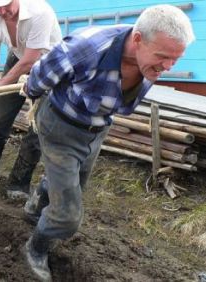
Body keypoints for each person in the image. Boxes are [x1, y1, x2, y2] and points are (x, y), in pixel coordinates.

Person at [22, 4, 195, 281]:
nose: (168, 66)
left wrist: (160, 61)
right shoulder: (85, 47)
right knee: (67, 215)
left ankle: (35, 205)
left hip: (97, 129)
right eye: (163, 57)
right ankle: (35, 248)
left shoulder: (152, 60)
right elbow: (40, 77)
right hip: (60, 127)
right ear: (138, 39)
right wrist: (31, 91)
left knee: (75, 183)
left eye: (175, 59)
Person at [0, 0, 62, 199]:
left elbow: (31, 59)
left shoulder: (40, 13)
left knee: (36, 128)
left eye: (6, 5)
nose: (2, 11)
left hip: (48, 66)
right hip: (18, 59)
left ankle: (19, 183)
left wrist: (0, 85)